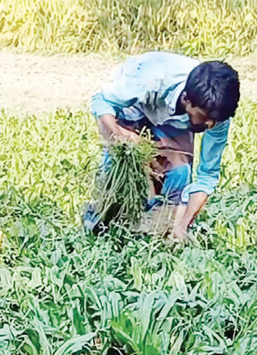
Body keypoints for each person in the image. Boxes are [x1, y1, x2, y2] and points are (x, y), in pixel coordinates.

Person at [85, 52, 240, 241]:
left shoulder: (217, 114)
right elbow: (101, 101)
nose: (209, 125)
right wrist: (122, 134)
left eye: (215, 120)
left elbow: (207, 178)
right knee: (123, 164)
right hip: (135, 104)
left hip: (176, 119)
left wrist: (183, 225)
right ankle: (101, 223)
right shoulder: (150, 79)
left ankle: (160, 227)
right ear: (187, 100)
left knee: (180, 170)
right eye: (205, 117)